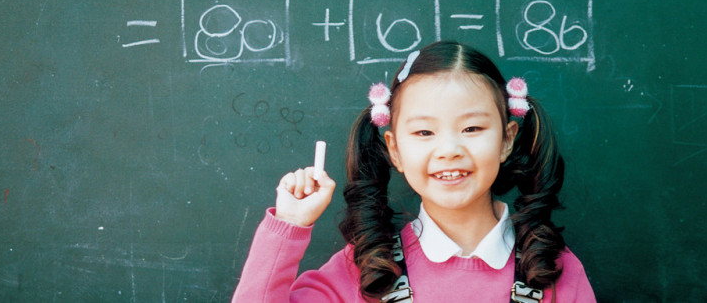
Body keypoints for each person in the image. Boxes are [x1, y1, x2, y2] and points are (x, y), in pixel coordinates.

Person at [232, 41, 596, 302]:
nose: (449, 150)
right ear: (395, 150)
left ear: (506, 139)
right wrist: (288, 228)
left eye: (472, 129)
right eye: (424, 132)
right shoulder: (366, 271)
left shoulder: (552, 271)